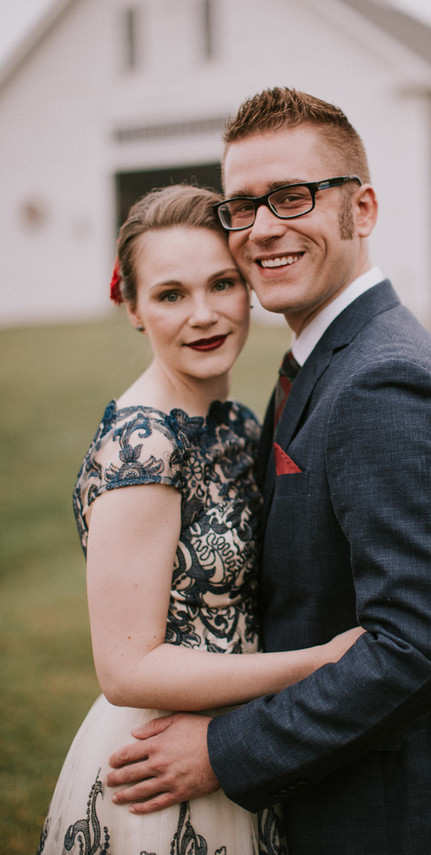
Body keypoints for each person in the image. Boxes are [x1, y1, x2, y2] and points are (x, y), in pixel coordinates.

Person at [107, 89, 431, 854]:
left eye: (292, 197)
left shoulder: (386, 382)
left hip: (382, 814)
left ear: (364, 208)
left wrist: (223, 750)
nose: (263, 229)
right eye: (243, 206)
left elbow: (418, 648)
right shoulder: (323, 358)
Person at [36, 183, 363, 855]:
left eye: (221, 283)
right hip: (161, 762)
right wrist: (317, 663)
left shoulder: (236, 425)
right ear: (130, 305)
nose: (205, 314)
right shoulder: (144, 446)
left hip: (234, 744)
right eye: (170, 294)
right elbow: (127, 669)